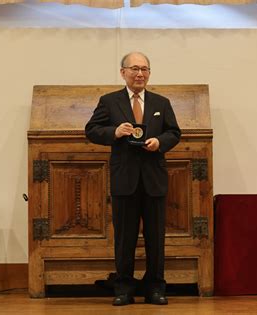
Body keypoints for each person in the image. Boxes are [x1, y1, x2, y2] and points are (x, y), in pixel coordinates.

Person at [85, 52, 181, 306]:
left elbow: (174, 132)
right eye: (135, 69)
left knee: (156, 238)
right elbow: (91, 130)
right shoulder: (109, 101)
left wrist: (160, 142)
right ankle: (124, 288)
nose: (140, 74)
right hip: (124, 179)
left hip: (154, 179)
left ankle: (155, 288)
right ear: (123, 72)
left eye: (145, 69)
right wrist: (113, 132)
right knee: (125, 238)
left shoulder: (161, 102)